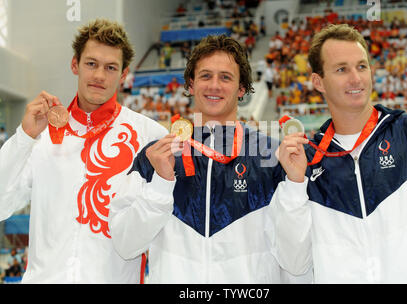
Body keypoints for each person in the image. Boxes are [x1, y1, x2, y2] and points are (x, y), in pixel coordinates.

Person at [109, 34, 312, 283]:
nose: (214, 85)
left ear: (241, 89)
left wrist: (295, 184)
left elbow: (297, 262)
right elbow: (125, 245)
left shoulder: (272, 156)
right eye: (205, 76)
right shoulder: (156, 156)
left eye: (225, 77)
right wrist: (161, 185)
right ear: (191, 85)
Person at [0, 18, 168, 283]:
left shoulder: (150, 138)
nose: (100, 75)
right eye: (91, 64)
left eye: (111, 67)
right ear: (74, 64)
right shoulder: (41, 133)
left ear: (124, 74)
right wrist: (24, 137)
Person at [286, 23, 407, 283]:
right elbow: (294, 263)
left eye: (361, 66)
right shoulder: (308, 160)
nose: (356, 78)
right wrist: (294, 186)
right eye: (342, 69)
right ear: (318, 82)